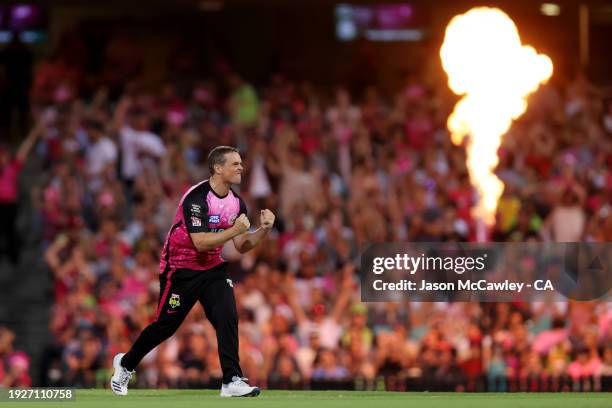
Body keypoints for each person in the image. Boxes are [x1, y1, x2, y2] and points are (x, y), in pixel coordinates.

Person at [110, 146, 274, 397]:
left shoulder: (237, 203)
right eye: (235, 163)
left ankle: (231, 379)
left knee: (227, 316)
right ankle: (125, 363)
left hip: (212, 267)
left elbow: (241, 246)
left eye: (241, 163)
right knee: (165, 326)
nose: (241, 167)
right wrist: (233, 231)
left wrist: (263, 230)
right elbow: (199, 242)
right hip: (180, 268)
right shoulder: (196, 198)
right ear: (218, 168)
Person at [0, 121, 42, 265]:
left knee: (10, 230)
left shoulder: (13, 166)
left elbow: (24, 149)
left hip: (10, 204)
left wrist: (33, 134)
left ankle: (14, 256)